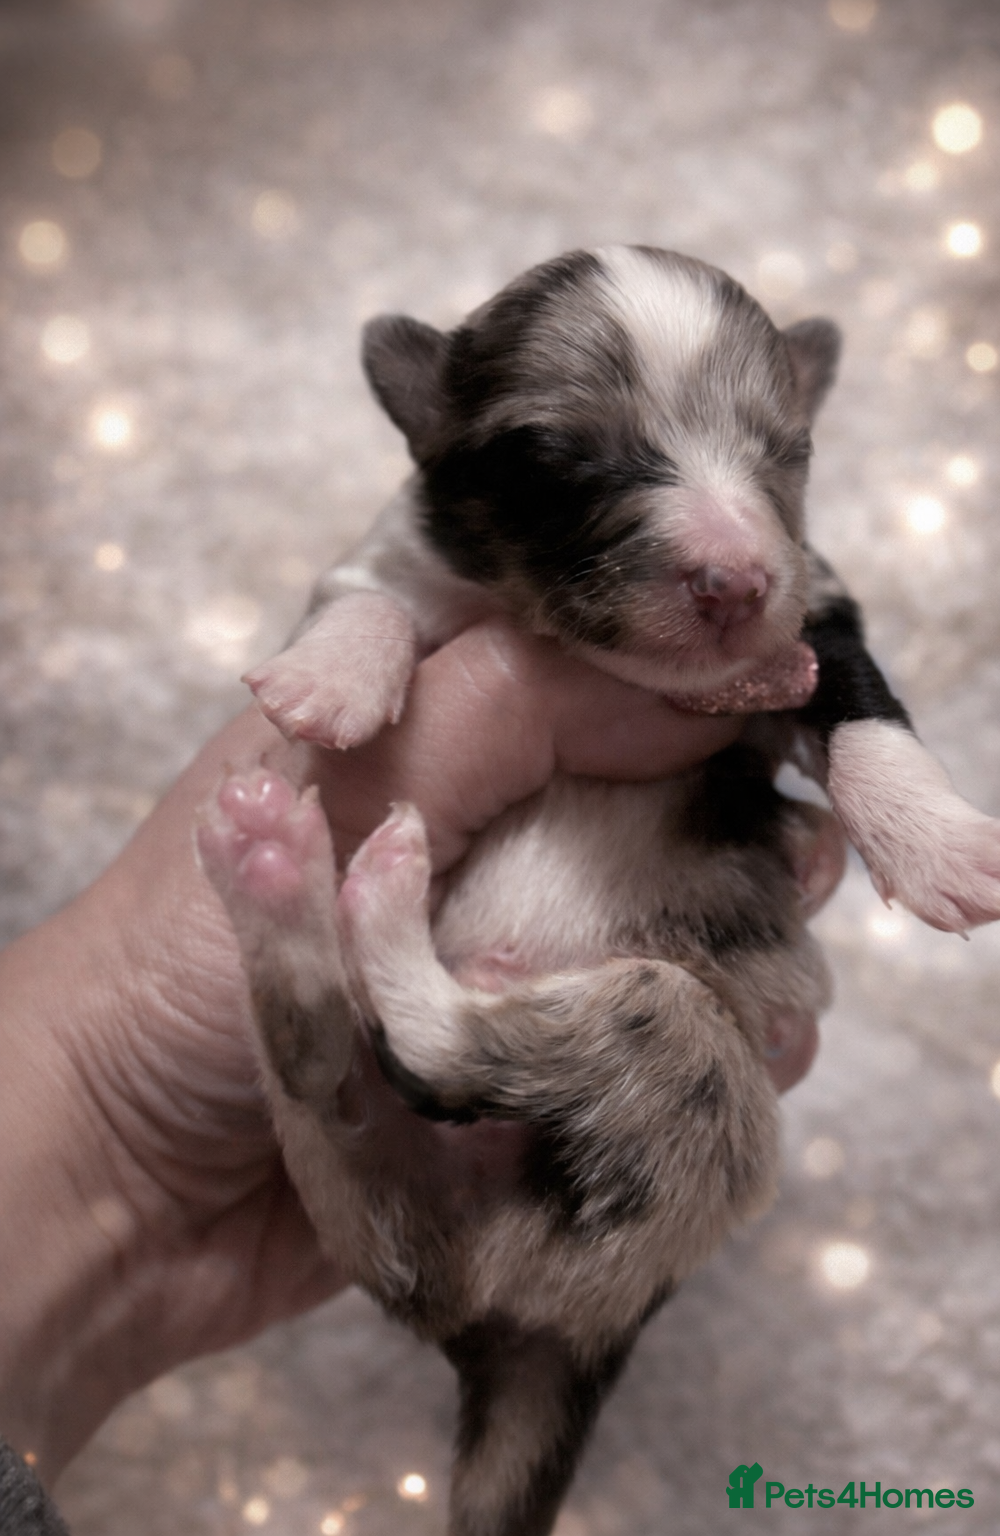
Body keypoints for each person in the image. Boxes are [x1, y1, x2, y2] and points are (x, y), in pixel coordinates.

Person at [0, 620, 826, 1529]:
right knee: (688, 1051)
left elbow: (839, 703)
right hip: (453, 1195)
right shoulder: (504, 595)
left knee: (687, 1054)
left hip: (498, 1214)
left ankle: (321, 973)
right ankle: (345, 985)